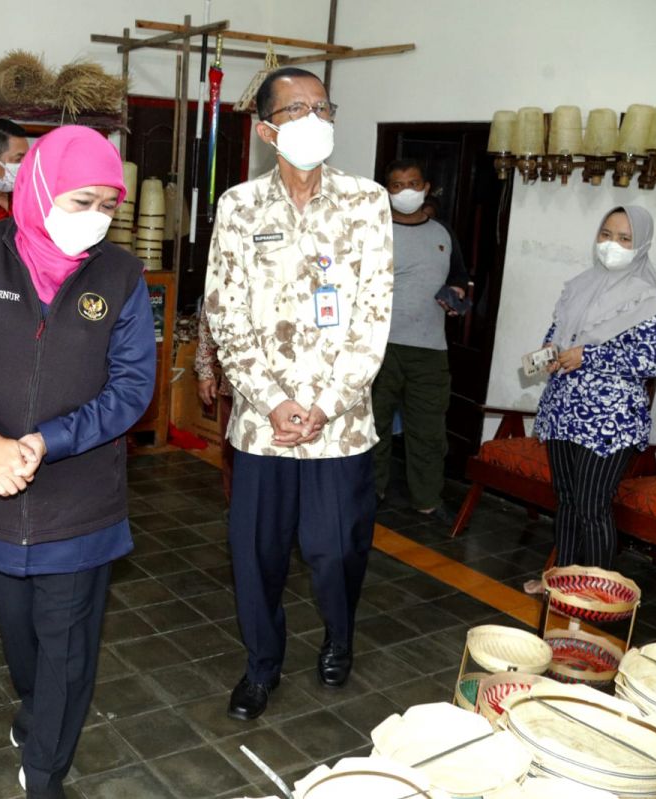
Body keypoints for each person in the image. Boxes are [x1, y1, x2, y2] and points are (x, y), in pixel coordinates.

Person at [0, 126, 155, 799]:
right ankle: (38, 712)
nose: (95, 220)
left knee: (67, 644)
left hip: (77, 499)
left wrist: (47, 440)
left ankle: (45, 767)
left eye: (108, 207)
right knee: (22, 636)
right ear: (42, 187)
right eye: (82, 201)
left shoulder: (122, 276)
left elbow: (133, 387)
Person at [205, 66, 393, 721]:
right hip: (263, 426)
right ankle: (262, 665)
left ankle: (339, 637)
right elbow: (224, 312)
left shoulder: (367, 202)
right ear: (265, 129)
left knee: (335, 546)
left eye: (322, 106)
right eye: (295, 109)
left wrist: (324, 404)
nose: (313, 118)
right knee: (255, 554)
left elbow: (373, 314)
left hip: (339, 424)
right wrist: (270, 400)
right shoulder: (237, 206)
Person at [533, 206, 656, 572]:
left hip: (609, 421)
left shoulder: (650, 300)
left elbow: (653, 361)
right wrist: (549, 354)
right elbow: (559, 336)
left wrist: (590, 356)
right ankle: (562, 581)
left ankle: (596, 594)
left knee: (592, 505)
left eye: (624, 238)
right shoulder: (580, 285)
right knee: (566, 499)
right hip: (563, 409)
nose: (612, 245)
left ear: (641, 245)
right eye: (606, 235)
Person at [372, 158, 469, 521]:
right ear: (387, 191)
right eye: (396, 186)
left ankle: (427, 498)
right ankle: (370, 491)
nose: (405, 191)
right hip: (380, 347)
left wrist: (458, 295)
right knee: (374, 425)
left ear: (425, 187)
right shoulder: (374, 231)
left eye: (413, 183)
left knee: (428, 430)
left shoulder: (443, 234)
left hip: (430, 350)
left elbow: (460, 276)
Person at [193, 305, 234, 500]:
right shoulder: (226, 274)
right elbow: (210, 313)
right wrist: (204, 369)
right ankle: (236, 506)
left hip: (295, 388)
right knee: (233, 453)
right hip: (237, 385)